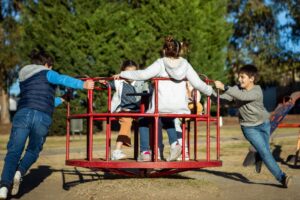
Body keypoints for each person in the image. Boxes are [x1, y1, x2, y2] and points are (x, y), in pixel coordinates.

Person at [0, 49, 94, 199]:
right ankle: (20, 171)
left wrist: (62, 99)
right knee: (32, 150)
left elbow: (40, 99)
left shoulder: (23, 77)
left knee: (13, 151)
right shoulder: (47, 72)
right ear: (46, 64)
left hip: (22, 114)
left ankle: (3, 187)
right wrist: (83, 85)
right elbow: (63, 79)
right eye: (51, 66)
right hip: (42, 117)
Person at [113, 36, 212, 162]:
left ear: (164, 50)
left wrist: (122, 74)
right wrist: (211, 92)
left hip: (161, 105)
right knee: (168, 117)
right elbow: (198, 84)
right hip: (179, 107)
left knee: (143, 118)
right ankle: (175, 144)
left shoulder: (161, 63)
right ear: (179, 51)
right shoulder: (185, 64)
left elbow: (143, 74)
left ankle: (145, 152)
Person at [214, 64, 292, 188]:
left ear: (252, 78)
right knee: (265, 152)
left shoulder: (257, 90)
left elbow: (243, 97)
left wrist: (224, 86)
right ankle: (282, 177)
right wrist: (209, 92)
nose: (239, 80)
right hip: (249, 128)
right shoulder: (236, 89)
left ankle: (259, 156)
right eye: (239, 77)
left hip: (264, 124)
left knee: (264, 151)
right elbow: (222, 99)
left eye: (242, 77)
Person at [100, 60, 150, 160]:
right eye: (128, 73)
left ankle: (145, 151)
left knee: (145, 120)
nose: (131, 76)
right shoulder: (119, 81)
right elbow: (108, 85)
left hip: (137, 110)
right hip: (123, 109)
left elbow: (147, 89)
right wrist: (104, 82)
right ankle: (117, 151)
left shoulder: (140, 81)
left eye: (133, 73)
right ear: (122, 72)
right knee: (126, 121)